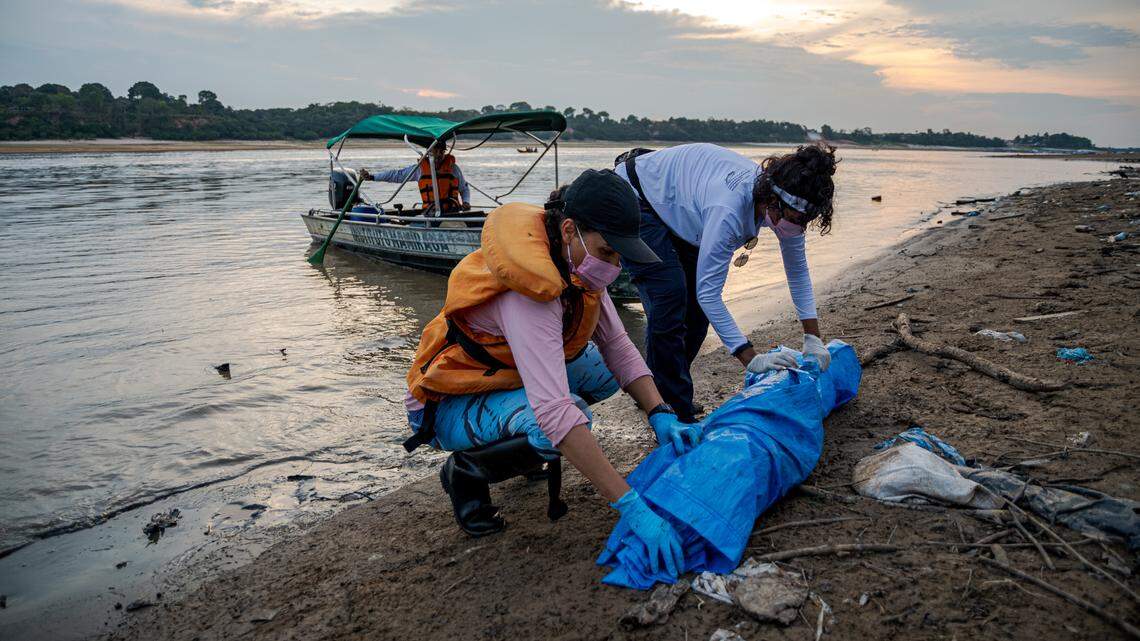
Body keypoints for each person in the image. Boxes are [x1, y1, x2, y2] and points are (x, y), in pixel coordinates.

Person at [402, 169, 700, 574]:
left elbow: (618, 347)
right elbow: (557, 413)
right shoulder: (530, 293)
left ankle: (527, 450)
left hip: (501, 378)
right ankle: (467, 472)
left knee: (606, 373)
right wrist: (632, 507)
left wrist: (661, 413)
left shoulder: (577, 266)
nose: (615, 265)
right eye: (608, 251)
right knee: (561, 420)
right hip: (446, 405)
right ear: (569, 229)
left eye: (619, 256)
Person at [614, 143, 838, 423]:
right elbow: (710, 294)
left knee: (696, 315)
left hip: (685, 210)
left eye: (805, 222)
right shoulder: (728, 210)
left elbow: (797, 271)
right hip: (637, 196)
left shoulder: (790, 204)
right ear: (772, 202)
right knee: (669, 297)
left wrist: (813, 337)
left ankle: (660, 393)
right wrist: (752, 359)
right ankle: (673, 410)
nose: (799, 228)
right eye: (795, 220)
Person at [359, 140, 470, 213]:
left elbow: (464, 189)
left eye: (442, 152)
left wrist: (466, 202)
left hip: (453, 212)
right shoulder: (420, 169)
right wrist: (372, 177)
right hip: (430, 213)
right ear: (429, 152)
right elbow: (397, 175)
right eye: (435, 151)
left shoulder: (454, 168)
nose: (439, 155)